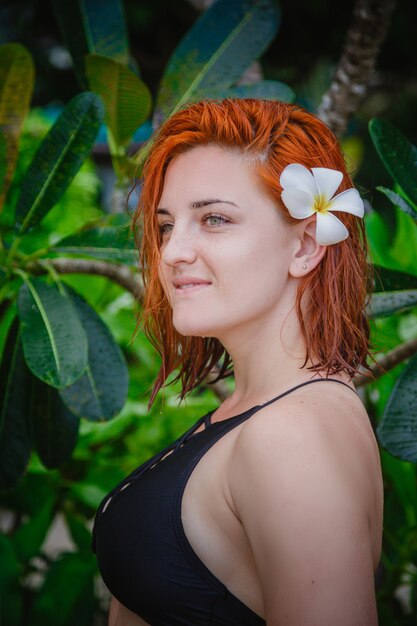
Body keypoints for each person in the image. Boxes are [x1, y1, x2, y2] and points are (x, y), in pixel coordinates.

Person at [92, 98, 383, 626]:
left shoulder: (290, 436)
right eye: (165, 225)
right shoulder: (273, 409)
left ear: (306, 246)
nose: (173, 251)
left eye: (214, 219)